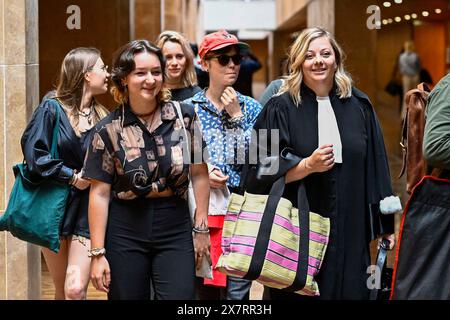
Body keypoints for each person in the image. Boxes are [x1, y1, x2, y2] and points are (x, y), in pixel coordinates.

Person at [248, 27, 400, 300]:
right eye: (309, 55)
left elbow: (377, 168)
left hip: (351, 228)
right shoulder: (278, 108)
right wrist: (305, 166)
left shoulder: (360, 106)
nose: (318, 61)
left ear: (336, 60)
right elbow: (257, 170)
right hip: (297, 231)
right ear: (298, 63)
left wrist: (385, 226)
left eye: (325, 54)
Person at [83, 40, 210, 300]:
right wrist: (97, 254)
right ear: (124, 79)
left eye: (155, 72)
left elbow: (199, 173)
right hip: (125, 227)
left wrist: (201, 229)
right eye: (140, 73)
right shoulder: (107, 130)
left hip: (174, 223)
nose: (150, 80)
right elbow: (99, 193)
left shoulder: (185, 117)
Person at [21, 47, 110, 299]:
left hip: (87, 208)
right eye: (102, 68)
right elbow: (34, 154)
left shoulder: (103, 116)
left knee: (74, 289)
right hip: (53, 206)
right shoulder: (51, 108)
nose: (108, 73)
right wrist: (71, 177)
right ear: (86, 75)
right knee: (62, 289)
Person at [184, 29, 263, 300]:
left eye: (237, 58)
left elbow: (266, 160)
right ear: (204, 64)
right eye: (223, 59)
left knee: (238, 293)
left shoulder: (252, 108)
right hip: (202, 210)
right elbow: (176, 161)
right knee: (203, 289)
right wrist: (203, 177)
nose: (232, 64)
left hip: (242, 209)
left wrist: (237, 117)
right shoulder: (188, 109)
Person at [156, 31, 202, 101]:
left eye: (179, 56)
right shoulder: (153, 93)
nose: (174, 63)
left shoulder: (197, 95)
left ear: (187, 60)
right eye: (168, 57)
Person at [398, 40, 421, 119]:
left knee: (406, 95)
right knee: (415, 95)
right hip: (414, 76)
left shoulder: (401, 57)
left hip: (406, 77)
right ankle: (415, 114)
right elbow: (418, 67)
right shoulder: (415, 56)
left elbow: (401, 68)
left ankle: (404, 115)